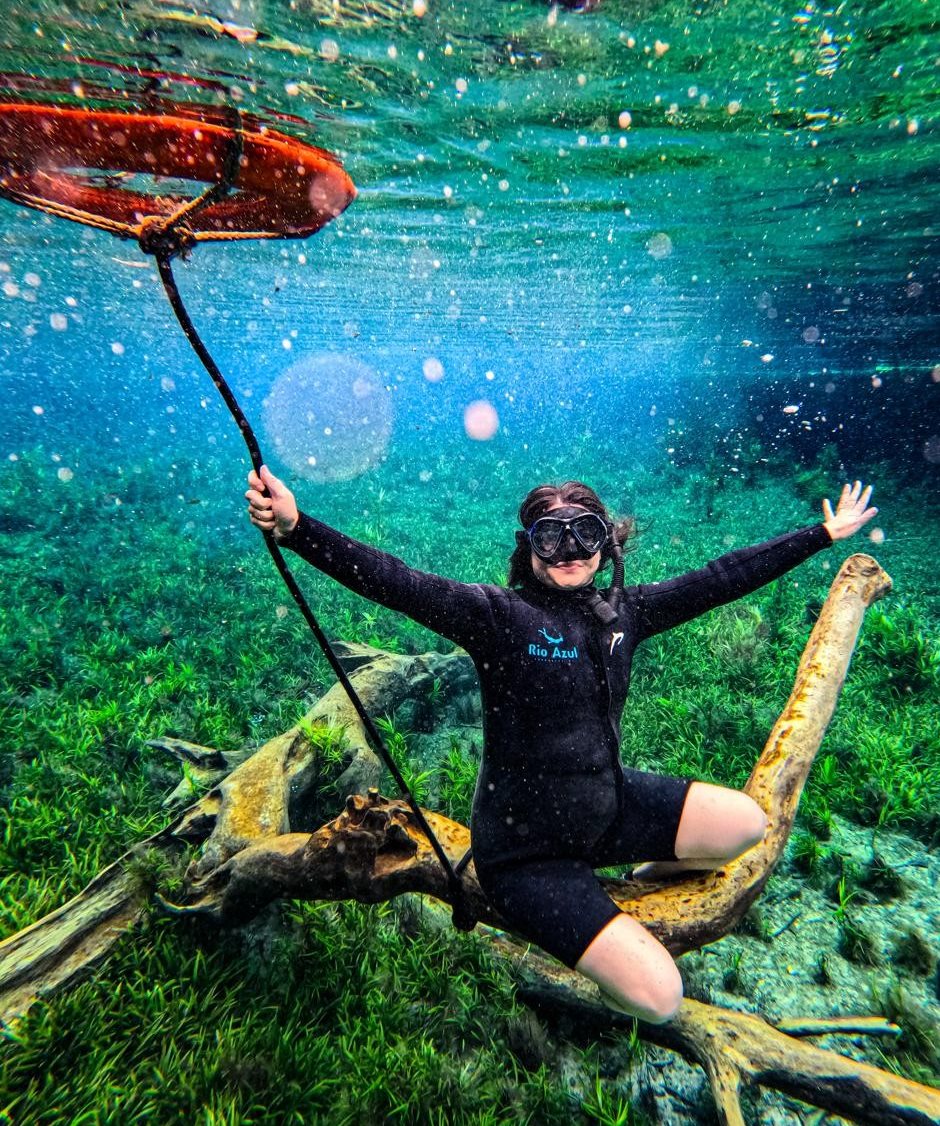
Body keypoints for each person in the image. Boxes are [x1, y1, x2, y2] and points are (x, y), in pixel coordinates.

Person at [246, 467, 876, 1023]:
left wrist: (820, 535)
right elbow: (397, 580)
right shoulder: (498, 617)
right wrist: (298, 527)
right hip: (526, 854)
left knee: (747, 823)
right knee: (660, 999)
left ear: (607, 540)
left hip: (609, 808)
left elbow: (722, 577)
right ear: (531, 549)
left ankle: (640, 876)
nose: (570, 550)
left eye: (586, 533)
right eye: (551, 535)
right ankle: (603, 960)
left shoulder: (628, 613)